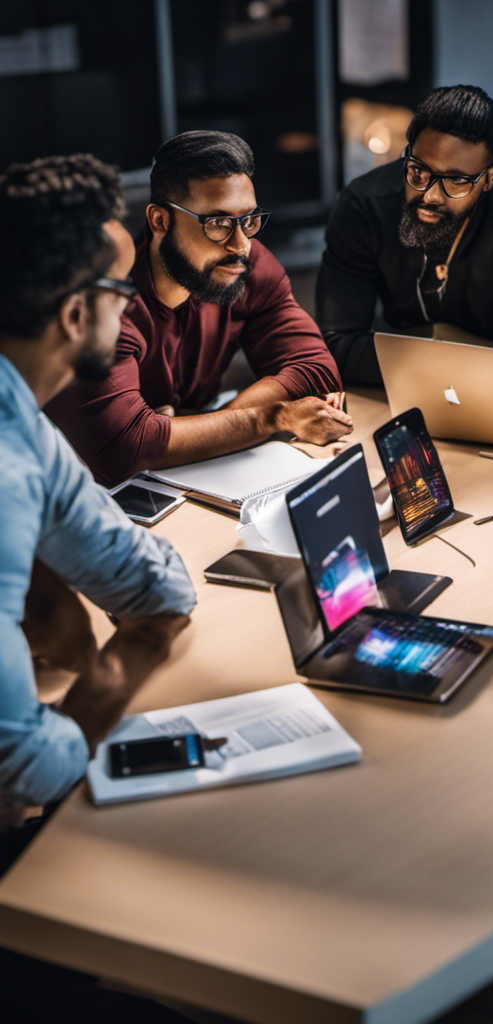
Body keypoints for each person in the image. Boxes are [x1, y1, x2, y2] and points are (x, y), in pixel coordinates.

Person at [0, 154, 197, 1020]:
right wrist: (109, 687)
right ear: (76, 311)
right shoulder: (6, 470)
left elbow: (150, 578)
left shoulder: (18, 421)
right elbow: (21, 764)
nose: (134, 308)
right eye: (123, 290)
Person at [46, 130, 351, 485]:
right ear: (160, 221)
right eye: (218, 223)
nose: (240, 245)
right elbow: (127, 449)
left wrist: (201, 426)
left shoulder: (244, 268)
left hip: (184, 484)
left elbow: (318, 372)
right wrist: (270, 418)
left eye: (248, 221)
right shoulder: (107, 306)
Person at [316, 84, 493, 389]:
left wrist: (415, 363)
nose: (430, 195)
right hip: (407, 390)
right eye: (419, 171)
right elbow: (335, 345)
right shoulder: (363, 205)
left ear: (488, 179)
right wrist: (455, 368)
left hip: (484, 401)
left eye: (457, 180)